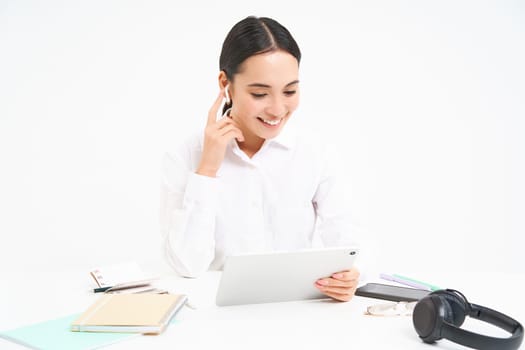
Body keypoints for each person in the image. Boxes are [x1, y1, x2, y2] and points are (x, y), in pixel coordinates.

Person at [161, 16, 360, 302]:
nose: (278, 109)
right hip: (217, 320)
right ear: (225, 84)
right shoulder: (186, 156)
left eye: (290, 91)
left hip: (299, 312)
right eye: (259, 93)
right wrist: (207, 169)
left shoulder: (315, 152)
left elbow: (348, 241)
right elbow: (186, 266)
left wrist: (351, 274)